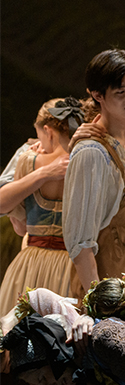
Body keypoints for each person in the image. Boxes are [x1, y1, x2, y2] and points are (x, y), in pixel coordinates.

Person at [63, 49, 125, 295]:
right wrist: (99, 305)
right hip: (108, 291)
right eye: (120, 92)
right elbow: (80, 244)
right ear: (98, 95)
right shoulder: (92, 153)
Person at [0, 98, 85, 312]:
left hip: (30, 264)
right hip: (73, 266)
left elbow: (20, 228)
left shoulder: (28, 160)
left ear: (48, 131)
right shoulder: (88, 161)